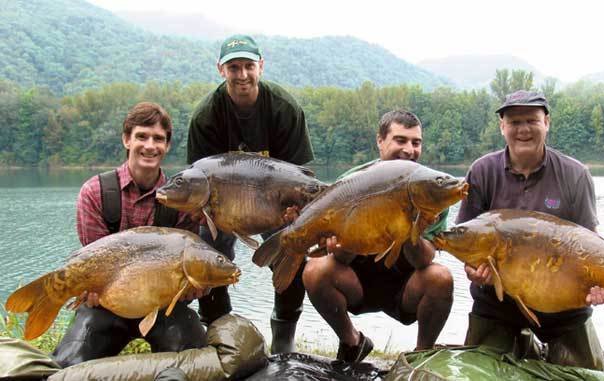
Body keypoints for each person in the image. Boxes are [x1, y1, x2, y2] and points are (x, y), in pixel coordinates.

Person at [455, 90, 604, 370]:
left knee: (587, 375)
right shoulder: (481, 171)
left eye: (531, 120)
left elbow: (591, 243)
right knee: (478, 373)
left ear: (547, 123)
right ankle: (520, 342)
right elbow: (466, 241)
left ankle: (537, 345)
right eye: (514, 122)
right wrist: (473, 271)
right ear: (502, 127)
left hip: (562, 305)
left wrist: (600, 282)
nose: (523, 129)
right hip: (497, 302)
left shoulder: (575, 174)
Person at [52, 102, 207, 368]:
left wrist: (194, 286)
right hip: (105, 307)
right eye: (141, 136)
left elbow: (187, 271)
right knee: (68, 366)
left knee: (195, 362)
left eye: (158, 138)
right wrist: (89, 288)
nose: (150, 145)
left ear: (167, 145)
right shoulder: (94, 192)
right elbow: (93, 264)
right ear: (127, 140)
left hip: (161, 308)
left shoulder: (182, 199)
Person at [187, 34, 314, 354]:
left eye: (248, 66)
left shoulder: (285, 109)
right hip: (223, 204)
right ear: (221, 70)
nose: (241, 75)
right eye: (233, 67)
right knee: (207, 251)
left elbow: (299, 176)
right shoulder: (206, 116)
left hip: (277, 200)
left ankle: (283, 336)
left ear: (261, 66)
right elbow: (198, 177)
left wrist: (292, 214)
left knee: (293, 250)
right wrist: (212, 212)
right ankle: (220, 329)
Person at [302, 110, 454, 363]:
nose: (409, 149)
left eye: (416, 143)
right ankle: (353, 342)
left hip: (406, 286)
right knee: (315, 270)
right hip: (357, 282)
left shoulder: (432, 188)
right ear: (380, 141)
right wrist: (347, 238)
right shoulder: (351, 182)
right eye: (400, 140)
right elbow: (339, 256)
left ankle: (421, 355)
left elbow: (424, 262)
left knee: (441, 277)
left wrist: (408, 227)